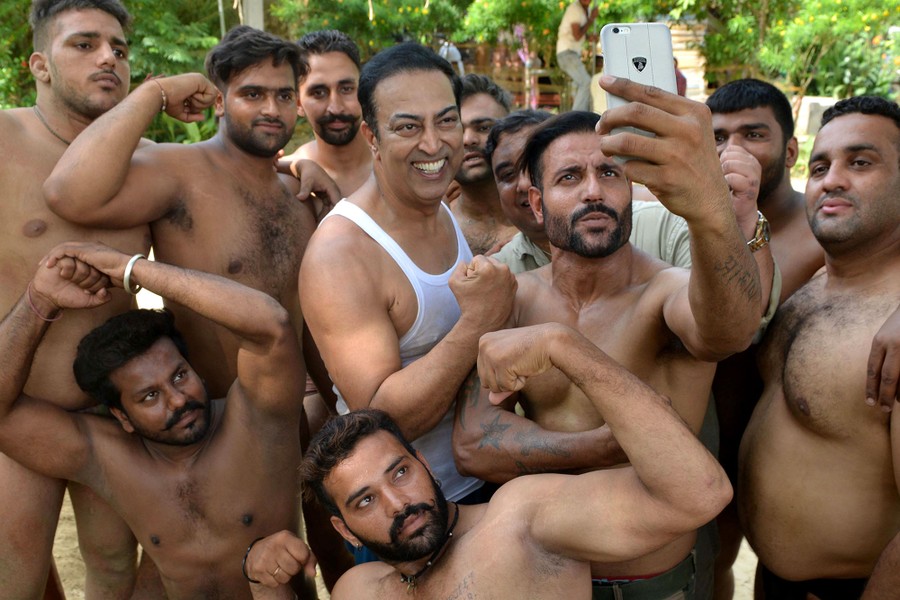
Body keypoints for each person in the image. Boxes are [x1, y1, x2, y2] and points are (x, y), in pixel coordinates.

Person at [453, 75, 774, 598]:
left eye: (609, 173)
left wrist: (710, 206)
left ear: (632, 189)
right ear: (537, 203)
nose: (593, 191)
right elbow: (473, 446)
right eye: (570, 177)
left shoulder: (667, 293)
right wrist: (604, 447)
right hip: (546, 578)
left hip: (655, 584)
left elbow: (729, 333)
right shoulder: (513, 298)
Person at [243, 323, 734, 598]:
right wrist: (264, 583)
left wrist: (567, 348)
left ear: (424, 464)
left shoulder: (522, 520)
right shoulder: (359, 590)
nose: (398, 502)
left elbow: (699, 495)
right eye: (365, 500)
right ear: (345, 531)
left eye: (400, 472)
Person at [0, 242, 314, 599]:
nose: (178, 400)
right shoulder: (107, 456)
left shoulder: (257, 420)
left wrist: (133, 269)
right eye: (149, 396)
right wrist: (40, 299)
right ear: (122, 416)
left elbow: (272, 326)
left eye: (180, 375)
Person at [298, 43, 517, 536]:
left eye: (446, 121)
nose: (434, 144)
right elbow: (382, 417)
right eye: (408, 127)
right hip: (412, 518)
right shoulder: (342, 253)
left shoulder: (439, 204)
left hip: (486, 478)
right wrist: (479, 323)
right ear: (372, 137)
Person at [0, 1, 150, 597]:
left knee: (114, 566)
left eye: (119, 48)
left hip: (112, 409)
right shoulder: (2, 140)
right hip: (16, 409)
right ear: (40, 64)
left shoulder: (147, 161)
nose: (108, 57)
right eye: (84, 44)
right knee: (15, 578)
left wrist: (302, 171)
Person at [739, 96, 900, 599]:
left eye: (861, 162)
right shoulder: (809, 286)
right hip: (775, 583)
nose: (831, 180)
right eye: (819, 167)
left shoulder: (893, 330)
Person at [279, 30, 373, 198]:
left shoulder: (396, 164)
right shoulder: (288, 179)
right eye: (318, 93)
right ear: (298, 103)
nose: (336, 108)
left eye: (346, 89)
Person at [449, 73, 519, 255]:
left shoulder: (544, 218)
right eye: (457, 129)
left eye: (484, 128)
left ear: (511, 133)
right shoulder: (433, 224)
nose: (468, 139)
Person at [556, 0, 597, 112]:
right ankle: (576, 117)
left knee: (582, 85)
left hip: (571, 53)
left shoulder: (586, 9)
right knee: (586, 83)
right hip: (566, 53)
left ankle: (584, 114)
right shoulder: (574, 9)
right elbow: (577, 35)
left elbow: (579, 33)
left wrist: (589, 37)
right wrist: (591, 19)